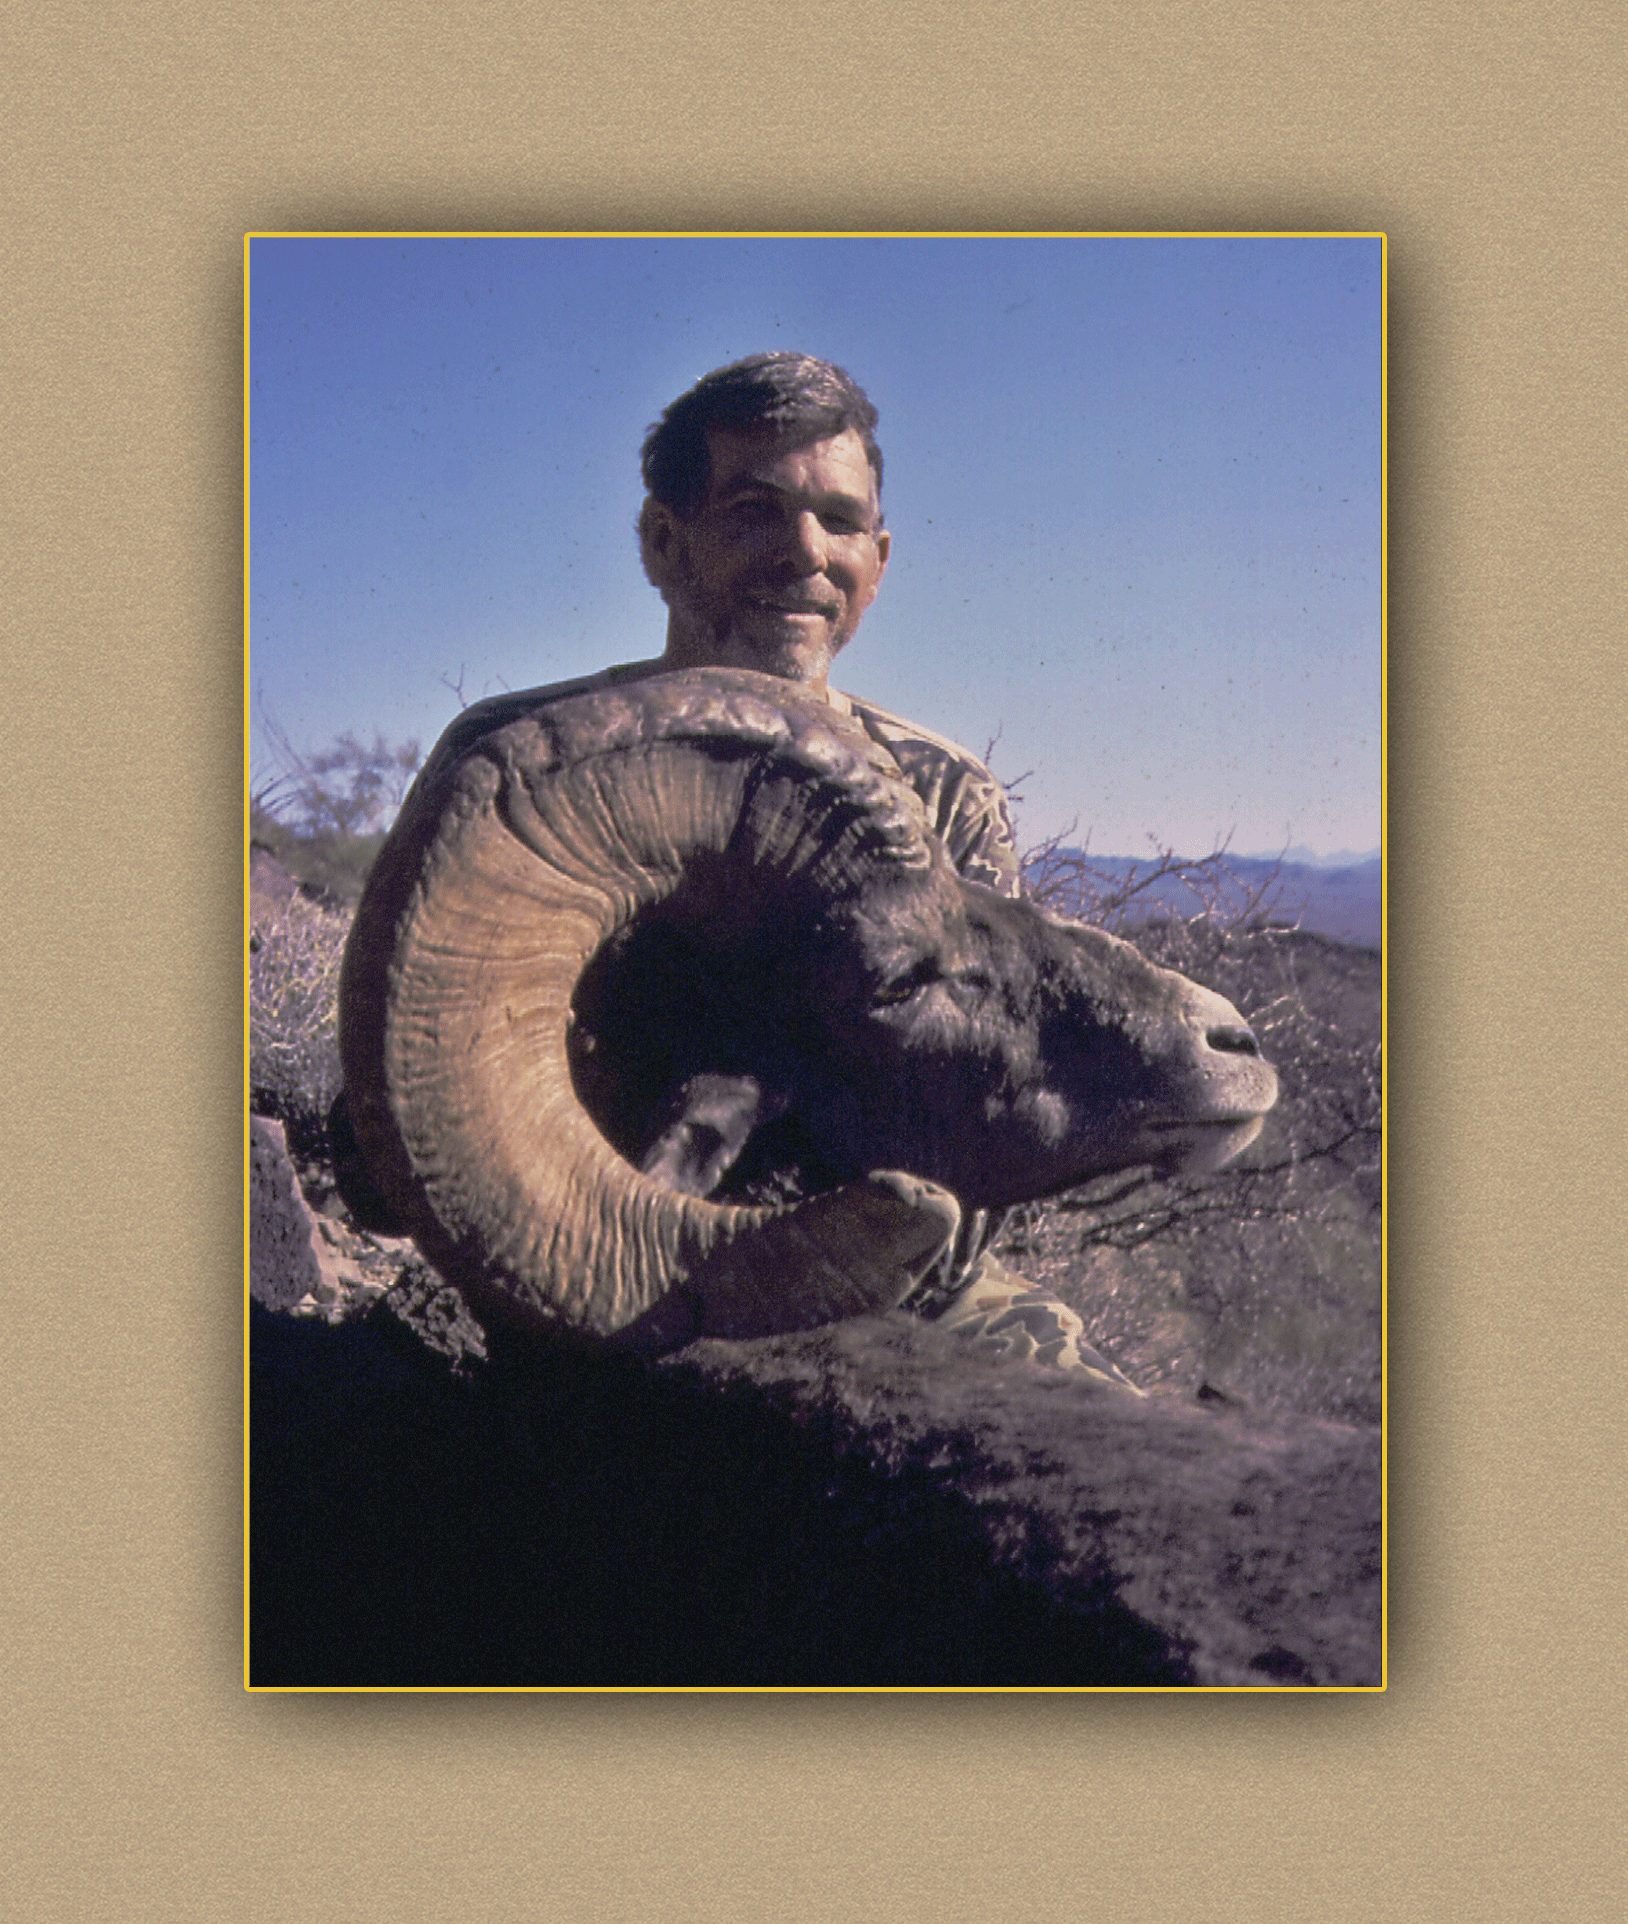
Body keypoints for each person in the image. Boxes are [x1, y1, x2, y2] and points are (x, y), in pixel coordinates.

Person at [425, 353, 1139, 1385]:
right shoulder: (518, 763)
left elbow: (974, 1118)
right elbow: (432, 1085)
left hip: (883, 1294)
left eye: (840, 521)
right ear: (664, 543)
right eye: (754, 510)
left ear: (878, 560)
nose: (805, 552)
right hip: (575, 1282)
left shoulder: (943, 795)